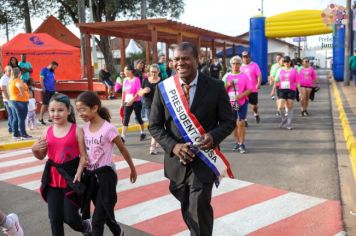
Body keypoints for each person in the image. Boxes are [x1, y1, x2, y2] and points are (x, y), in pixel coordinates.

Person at [149, 42, 235, 236]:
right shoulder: (164, 89)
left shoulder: (215, 86)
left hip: (204, 161)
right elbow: (154, 126)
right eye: (177, 59)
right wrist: (174, 146)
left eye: (186, 58)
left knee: (199, 209)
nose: (181, 63)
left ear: (197, 60)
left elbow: (229, 121)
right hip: (177, 162)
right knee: (188, 208)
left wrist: (213, 136)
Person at [75, 91, 137, 236]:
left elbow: (123, 149)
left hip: (106, 178)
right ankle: (118, 231)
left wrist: (132, 169)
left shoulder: (108, 128)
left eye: (83, 109)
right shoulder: (83, 130)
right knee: (103, 211)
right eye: (78, 111)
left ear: (94, 108)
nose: (81, 114)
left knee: (96, 221)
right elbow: (82, 154)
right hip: (90, 177)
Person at [31, 93, 92, 236]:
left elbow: (83, 156)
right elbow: (41, 156)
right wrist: (34, 150)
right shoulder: (47, 131)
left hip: (71, 179)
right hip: (52, 181)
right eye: (52, 110)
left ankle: (84, 227)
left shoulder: (76, 130)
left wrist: (78, 173)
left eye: (60, 110)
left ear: (68, 111)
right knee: (55, 219)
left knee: (71, 218)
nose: (55, 114)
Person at [222, 56, 252, 153]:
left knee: (241, 123)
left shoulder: (244, 76)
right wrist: (228, 85)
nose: (235, 65)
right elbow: (221, 90)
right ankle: (237, 142)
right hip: (230, 103)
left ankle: (242, 144)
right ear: (231, 65)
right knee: (234, 124)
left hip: (241, 102)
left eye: (237, 63)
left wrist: (241, 95)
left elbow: (250, 89)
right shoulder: (226, 76)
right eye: (233, 63)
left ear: (240, 65)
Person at [139, 64, 161, 154]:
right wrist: (144, 91)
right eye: (152, 72)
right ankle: (156, 142)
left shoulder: (162, 81)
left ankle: (152, 146)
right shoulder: (145, 80)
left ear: (158, 72)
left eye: (155, 72)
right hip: (148, 106)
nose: (153, 74)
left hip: (159, 106)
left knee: (155, 125)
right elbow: (140, 93)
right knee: (152, 125)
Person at [121, 65, 146, 142]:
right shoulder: (125, 80)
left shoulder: (136, 80)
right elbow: (124, 91)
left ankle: (142, 132)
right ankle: (123, 137)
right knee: (126, 119)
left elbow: (139, 92)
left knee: (138, 118)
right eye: (124, 71)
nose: (124, 72)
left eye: (126, 71)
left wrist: (132, 101)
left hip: (136, 102)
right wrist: (122, 102)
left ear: (131, 71)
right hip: (127, 102)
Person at [275, 56, 301, 130]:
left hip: (291, 90)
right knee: (280, 107)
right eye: (284, 62)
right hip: (282, 89)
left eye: (287, 61)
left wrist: (300, 92)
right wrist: (273, 90)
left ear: (290, 62)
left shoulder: (294, 70)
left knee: (290, 107)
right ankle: (283, 119)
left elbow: (297, 82)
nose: (286, 63)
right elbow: (276, 80)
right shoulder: (280, 70)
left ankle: (289, 123)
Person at [8, 67, 32, 139]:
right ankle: (23, 134)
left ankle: (16, 134)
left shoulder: (11, 81)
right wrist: (21, 93)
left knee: (16, 118)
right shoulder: (18, 80)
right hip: (20, 102)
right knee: (21, 118)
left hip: (13, 101)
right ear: (19, 73)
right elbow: (20, 86)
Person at [241, 51, 262, 124]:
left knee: (254, 106)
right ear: (242, 58)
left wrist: (258, 83)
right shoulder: (240, 67)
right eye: (244, 57)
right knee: (243, 105)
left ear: (249, 57)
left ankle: (256, 114)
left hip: (253, 89)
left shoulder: (254, 65)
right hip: (243, 90)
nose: (246, 58)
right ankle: (244, 119)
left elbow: (259, 75)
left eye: (247, 57)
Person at [39, 61, 58, 125]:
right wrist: (43, 88)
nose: (55, 69)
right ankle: (41, 118)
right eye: (54, 67)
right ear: (51, 65)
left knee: (51, 104)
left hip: (52, 90)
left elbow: (52, 80)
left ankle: (50, 118)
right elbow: (41, 80)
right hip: (46, 90)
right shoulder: (43, 70)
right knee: (44, 104)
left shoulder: (53, 72)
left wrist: (55, 82)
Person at [0, 66, 14, 134]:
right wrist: (9, 99)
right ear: (5, 71)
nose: (11, 71)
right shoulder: (3, 79)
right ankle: (12, 128)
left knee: (12, 114)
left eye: (11, 70)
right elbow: (4, 90)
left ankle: (11, 128)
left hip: (12, 98)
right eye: (9, 70)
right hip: (7, 100)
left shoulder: (11, 77)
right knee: (11, 114)